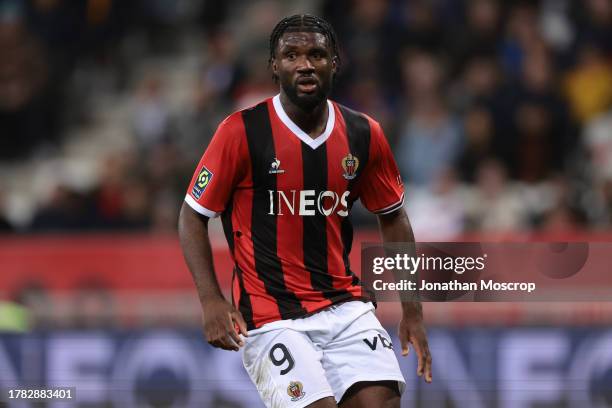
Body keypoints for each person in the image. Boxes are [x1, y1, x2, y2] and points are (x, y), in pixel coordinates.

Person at [178, 14, 432, 408]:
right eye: (291, 54)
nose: (304, 64)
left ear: (334, 63)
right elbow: (192, 215)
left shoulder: (364, 133)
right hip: (272, 317)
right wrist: (211, 300)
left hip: (345, 307)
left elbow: (393, 216)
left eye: (316, 54)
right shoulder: (241, 131)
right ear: (274, 66)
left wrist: (412, 310)